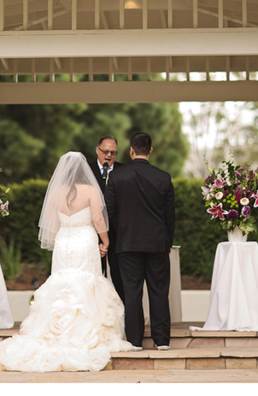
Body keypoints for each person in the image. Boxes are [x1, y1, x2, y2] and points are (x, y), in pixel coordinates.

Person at [0, 152, 135, 372]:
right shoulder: (91, 190)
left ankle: (53, 332)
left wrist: (60, 241)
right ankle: (83, 334)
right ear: (84, 172)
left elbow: (51, 226)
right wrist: (106, 242)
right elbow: (99, 219)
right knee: (86, 283)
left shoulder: (56, 192)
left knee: (61, 284)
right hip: (85, 239)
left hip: (64, 241)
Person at [105, 132, 175, 351]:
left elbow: (109, 212)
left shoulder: (117, 176)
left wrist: (118, 238)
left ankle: (135, 341)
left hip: (127, 245)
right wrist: (167, 242)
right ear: (150, 150)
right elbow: (169, 216)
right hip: (157, 244)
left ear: (131, 151)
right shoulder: (164, 177)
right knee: (159, 290)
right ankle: (162, 340)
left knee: (132, 292)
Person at [88, 135, 125, 301]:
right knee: (94, 279)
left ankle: (123, 318)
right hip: (91, 234)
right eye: (105, 151)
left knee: (120, 279)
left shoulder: (124, 171)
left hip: (119, 235)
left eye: (113, 153)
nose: (109, 155)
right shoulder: (86, 171)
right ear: (97, 150)